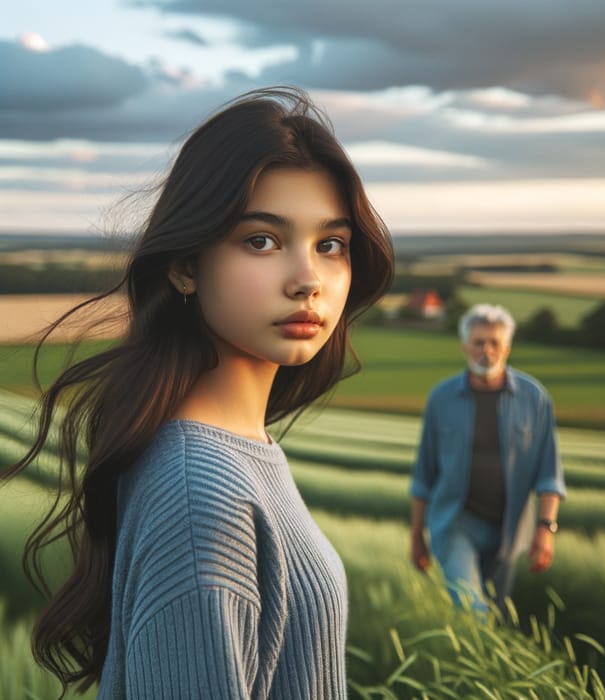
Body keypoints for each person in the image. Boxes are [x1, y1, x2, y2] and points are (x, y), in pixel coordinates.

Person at [3, 87, 393, 698]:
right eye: (261, 240)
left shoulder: (236, 450)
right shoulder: (202, 497)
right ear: (186, 266)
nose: (308, 280)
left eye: (330, 245)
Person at [409, 304, 565, 611]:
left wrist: (545, 529)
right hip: (454, 523)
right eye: (479, 342)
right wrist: (417, 536)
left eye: (494, 343)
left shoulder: (535, 398)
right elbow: (424, 475)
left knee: (496, 611)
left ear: (507, 348)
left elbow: (549, 471)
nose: (486, 350)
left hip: (510, 530)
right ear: (465, 347)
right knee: (473, 611)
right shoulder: (441, 398)